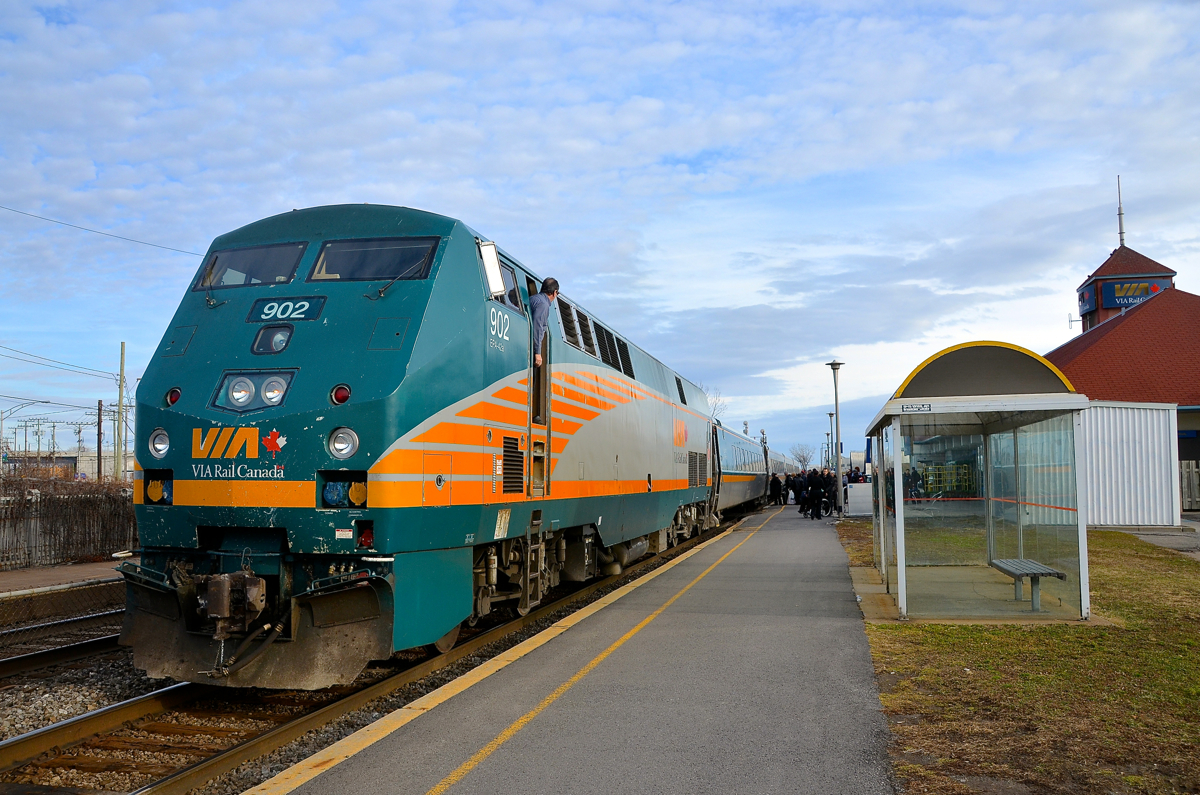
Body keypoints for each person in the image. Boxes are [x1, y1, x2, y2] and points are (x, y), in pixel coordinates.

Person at [529, 278, 560, 369]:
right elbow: (537, 327)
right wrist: (537, 352)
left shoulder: (533, 299)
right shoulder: (543, 305)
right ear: (555, 292)